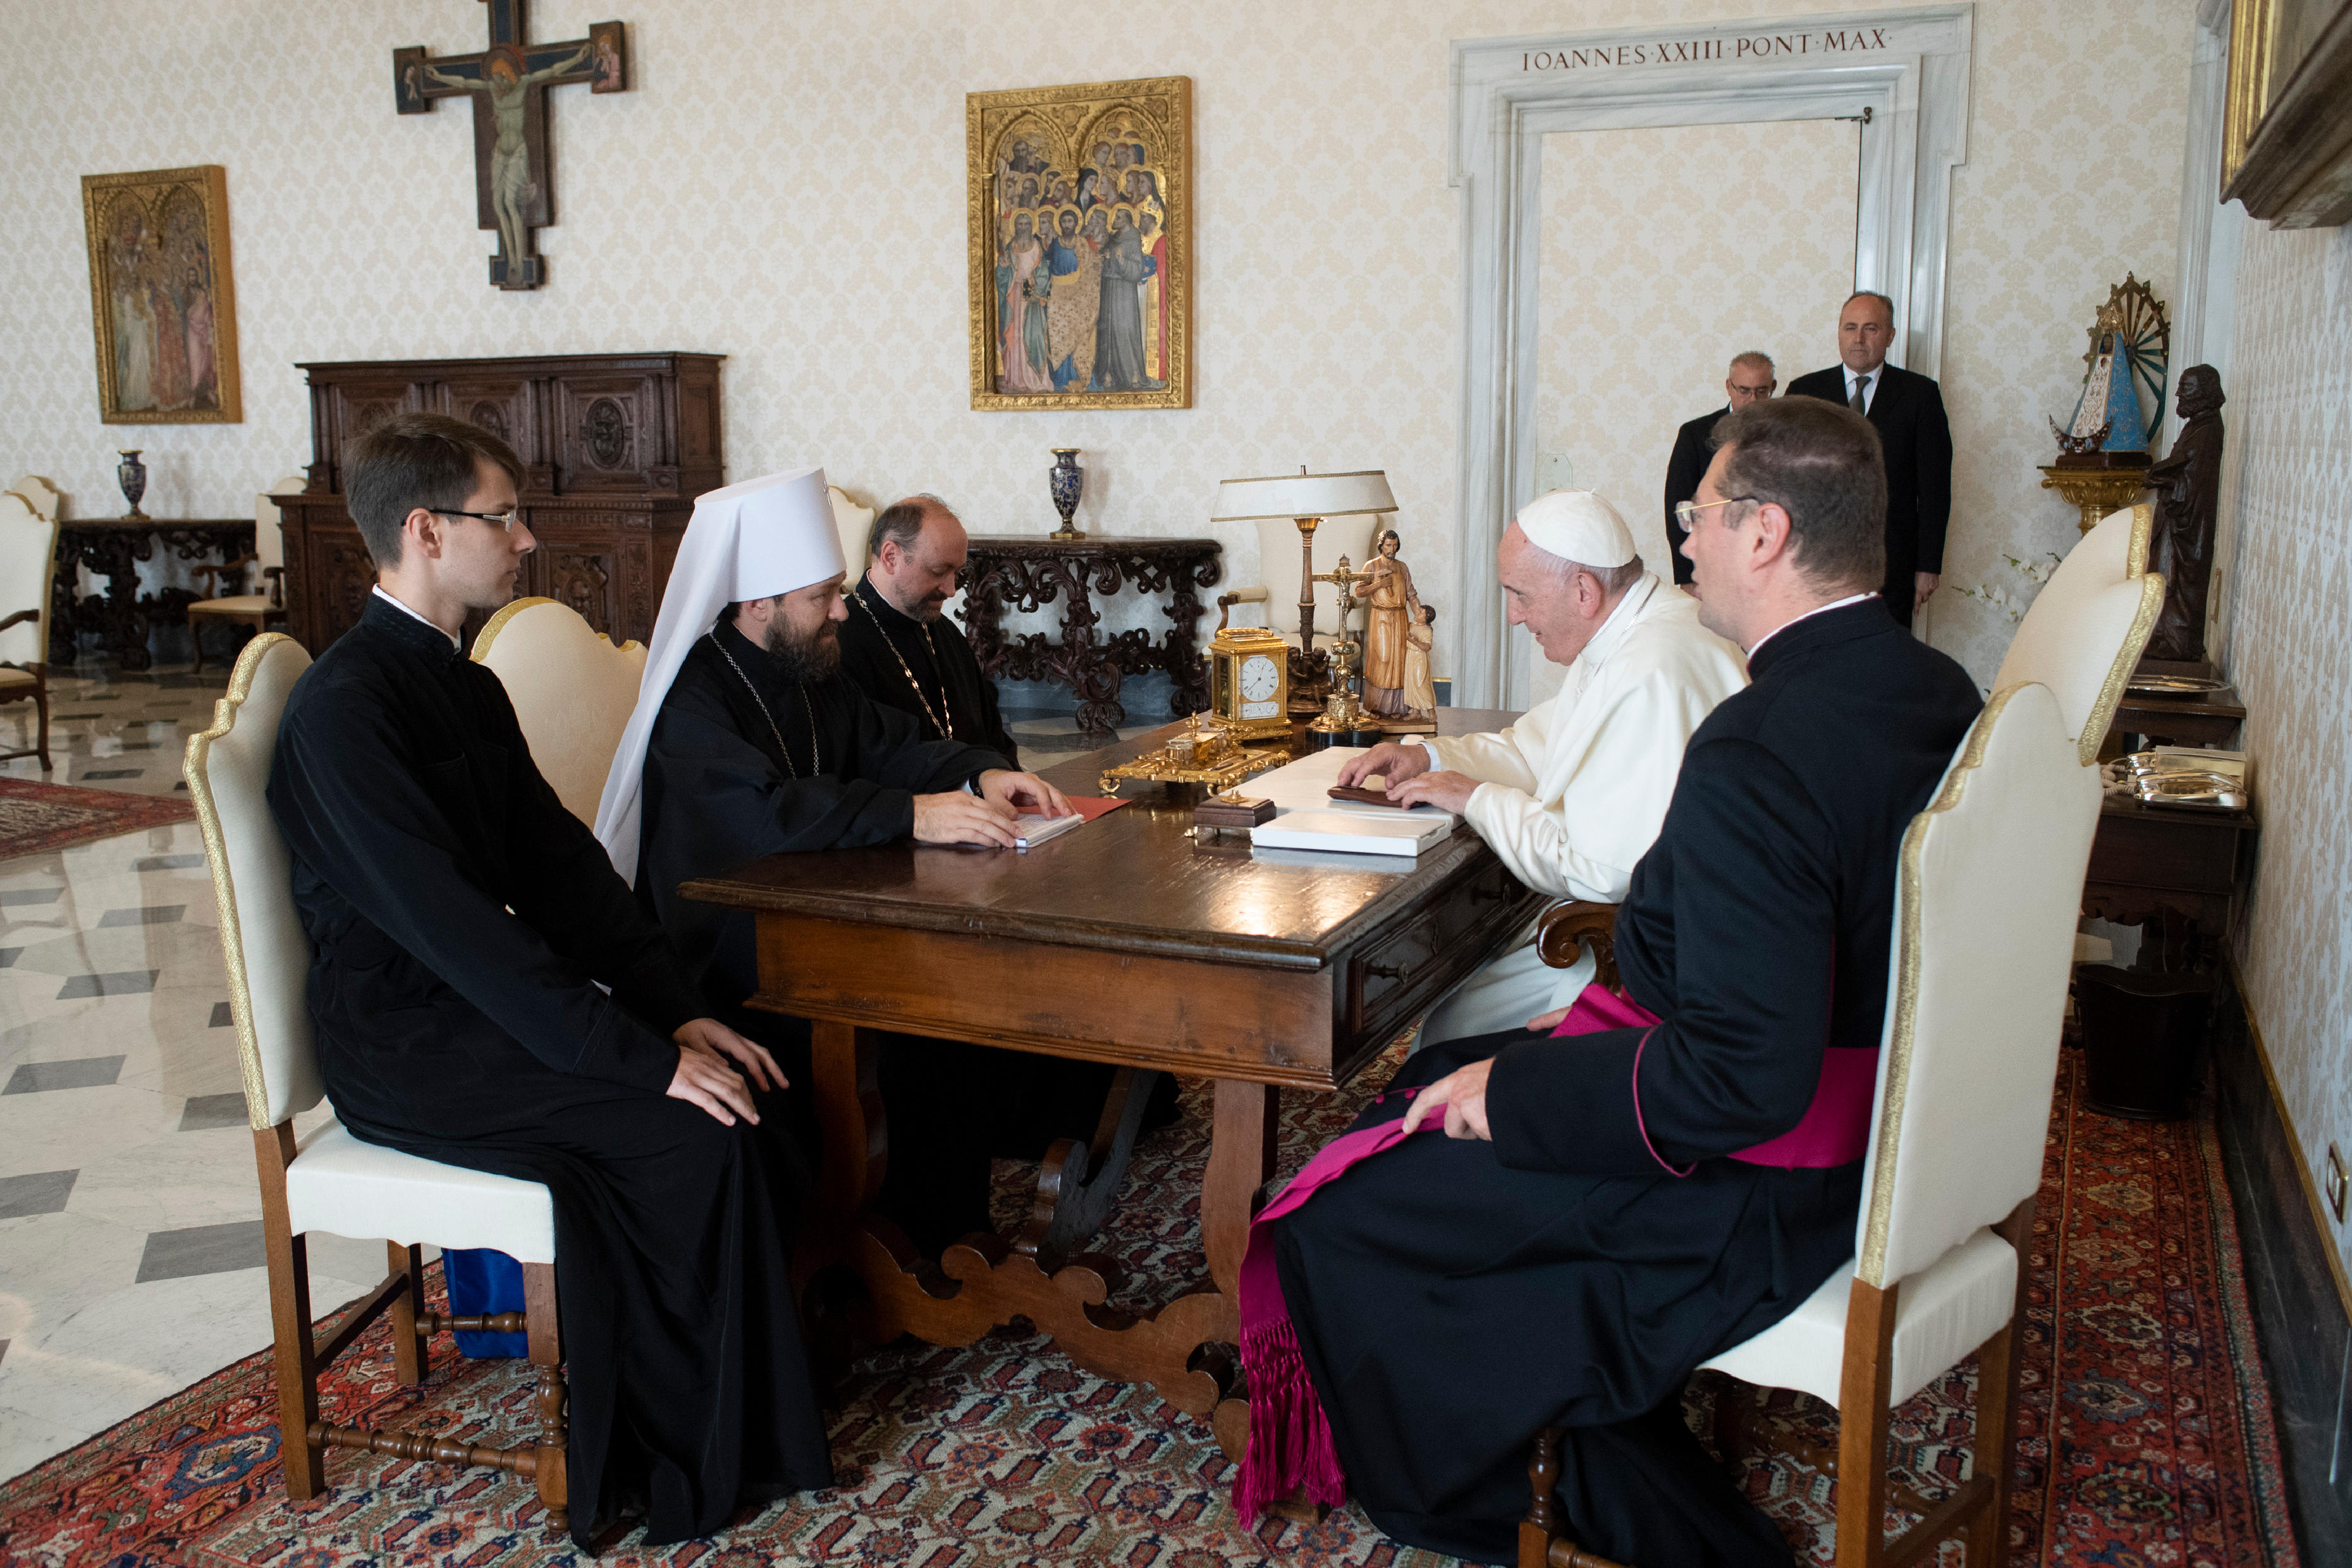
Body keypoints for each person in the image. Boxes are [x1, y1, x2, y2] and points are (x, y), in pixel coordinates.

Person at [1244, 398, 1983, 1566]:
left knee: (1339, 1224)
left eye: (1700, 515)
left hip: (1757, 1187)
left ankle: (1662, 1532)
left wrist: (1520, 1096)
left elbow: (1739, 1078)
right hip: (1875, 1142)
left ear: (1765, 534)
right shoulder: (1938, 689)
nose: (1683, 540)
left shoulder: (1759, 747)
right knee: (1430, 1091)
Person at [266, 413, 831, 1549]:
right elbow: (456, 934)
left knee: (758, 1071)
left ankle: (767, 1408)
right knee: (690, 1130)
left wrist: (679, 1012)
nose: (526, 539)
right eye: (504, 517)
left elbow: (565, 878)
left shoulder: (465, 688)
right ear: (426, 531)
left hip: (486, 1006)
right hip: (407, 1043)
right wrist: (640, 1059)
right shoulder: (342, 712)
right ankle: (686, 1455)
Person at [596, 469, 1115, 1253]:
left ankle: (947, 1243)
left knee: (956, 1008)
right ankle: (887, 1252)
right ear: (760, 603)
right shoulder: (697, 700)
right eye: (823, 596)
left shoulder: (810, 670)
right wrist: (913, 814)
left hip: (816, 918)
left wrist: (979, 771)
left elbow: (892, 745)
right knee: (923, 1025)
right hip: (733, 956)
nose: (842, 609)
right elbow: (765, 813)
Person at [1337, 490, 1746, 1047]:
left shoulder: (1651, 669)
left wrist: (1477, 798)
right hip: (1634, 924)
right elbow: (1539, 749)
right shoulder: (1637, 630)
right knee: (1448, 1006)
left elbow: (1601, 871)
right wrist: (1430, 757)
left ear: (1583, 591)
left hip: (1641, 954)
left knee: (1448, 1036)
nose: (1513, 616)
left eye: (1520, 595)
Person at [1786, 291, 1954, 626]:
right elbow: (1784, 480)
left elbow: (1935, 488)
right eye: (1850, 327)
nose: (1859, 338)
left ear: (1890, 336)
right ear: (1839, 333)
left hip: (1892, 565)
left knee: (1885, 653)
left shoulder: (1920, 395)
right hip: (1814, 560)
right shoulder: (1804, 393)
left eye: (1871, 328)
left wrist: (1927, 566)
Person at [839, 495, 1021, 763]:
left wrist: (1005, 776)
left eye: (956, 573)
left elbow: (992, 735)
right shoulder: (841, 644)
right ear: (891, 557)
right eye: (938, 571)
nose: (951, 590)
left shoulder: (945, 633)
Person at [1663, 351, 1777, 585]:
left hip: (1771, 566)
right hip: (1714, 564)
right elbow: (1679, 507)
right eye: (1744, 391)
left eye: (1761, 391)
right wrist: (1687, 577)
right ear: (1729, 387)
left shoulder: (1787, 435)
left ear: (1772, 388)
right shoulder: (1695, 434)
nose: (1752, 400)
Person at [1356, 529, 1427, 717]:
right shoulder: (1371, 566)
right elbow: (1359, 591)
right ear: (1381, 546)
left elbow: (1411, 594)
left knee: (1401, 660)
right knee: (1383, 658)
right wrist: (1378, 584)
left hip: (1400, 616)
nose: (1392, 549)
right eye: (1389, 545)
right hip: (1381, 616)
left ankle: (1397, 708)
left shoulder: (1402, 567)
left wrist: (1420, 615)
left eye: (1395, 545)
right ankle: (1376, 706)